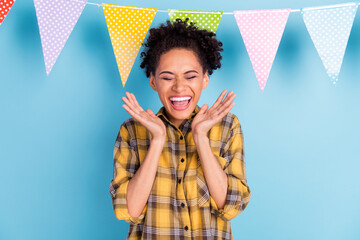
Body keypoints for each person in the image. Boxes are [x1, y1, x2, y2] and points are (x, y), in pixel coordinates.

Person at [109, 18, 251, 240]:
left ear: (205, 78)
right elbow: (128, 211)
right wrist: (157, 140)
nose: (179, 87)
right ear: (153, 81)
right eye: (167, 77)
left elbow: (232, 206)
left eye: (190, 76)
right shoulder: (132, 132)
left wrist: (200, 138)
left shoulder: (227, 127)